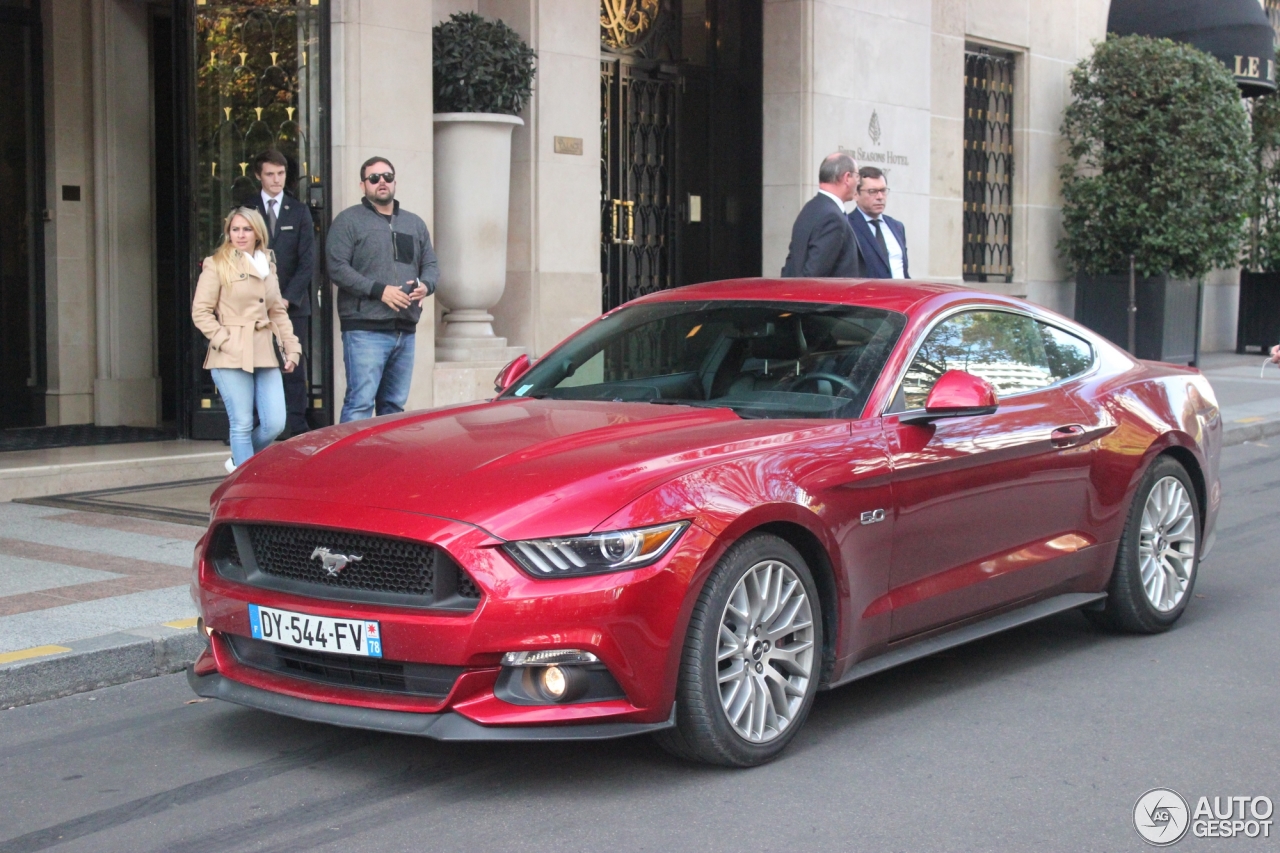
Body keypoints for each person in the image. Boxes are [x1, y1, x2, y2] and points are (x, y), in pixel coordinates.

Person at [328, 156, 438, 422]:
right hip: (365, 329)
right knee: (359, 405)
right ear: (362, 185)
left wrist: (426, 285)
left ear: (395, 182)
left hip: (405, 329)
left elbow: (431, 265)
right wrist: (379, 290)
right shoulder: (348, 221)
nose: (381, 182)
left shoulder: (414, 223)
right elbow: (336, 267)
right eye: (374, 178)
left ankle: (385, 464)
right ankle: (350, 465)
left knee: (394, 409)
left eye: (387, 177)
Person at [192, 208, 301, 473]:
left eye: (247, 229)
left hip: (265, 350)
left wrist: (292, 348)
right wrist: (225, 341)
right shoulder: (216, 263)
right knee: (240, 423)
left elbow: (277, 312)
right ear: (228, 232)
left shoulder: (268, 264)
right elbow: (200, 312)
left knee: (275, 423)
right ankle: (243, 480)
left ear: (257, 232)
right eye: (235, 229)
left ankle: (241, 464)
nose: (240, 235)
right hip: (231, 352)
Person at [249, 149, 315, 437]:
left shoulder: (298, 211)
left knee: (293, 364)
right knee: (255, 364)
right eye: (270, 174)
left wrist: (286, 298)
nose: (276, 180)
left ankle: (296, 425)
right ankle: (257, 423)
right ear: (258, 176)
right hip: (254, 306)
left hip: (292, 305)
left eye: (281, 174)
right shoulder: (247, 210)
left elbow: (308, 261)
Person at [781, 152, 864, 278]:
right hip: (831, 296)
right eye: (857, 176)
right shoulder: (833, 218)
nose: (858, 183)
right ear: (847, 178)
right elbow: (814, 276)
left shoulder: (810, 208)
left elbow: (792, 265)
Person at [848, 166, 909, 279]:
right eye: (872, 191)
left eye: (883, 191)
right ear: (856, 194)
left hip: (900, 294)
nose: (880, 197)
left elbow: (903, 271)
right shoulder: (847, 226)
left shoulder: (897, 227)